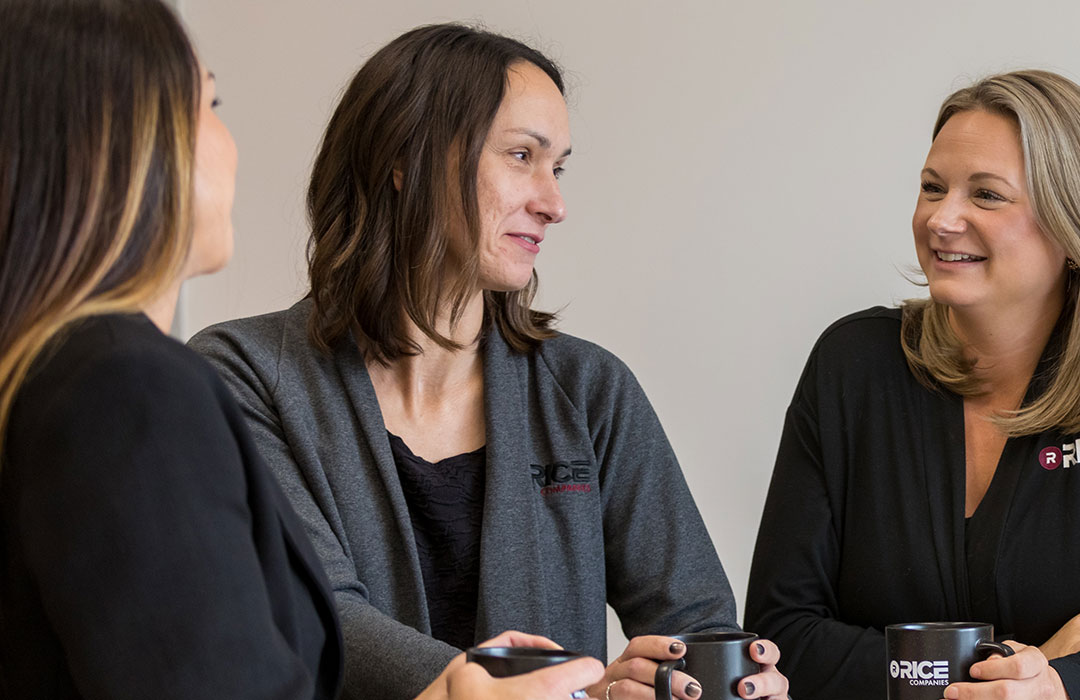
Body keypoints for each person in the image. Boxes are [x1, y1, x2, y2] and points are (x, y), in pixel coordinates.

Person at [0, 1, 602, 698]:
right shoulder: (129, 388)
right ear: (120, 140)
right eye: (210, 103)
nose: (554, 203)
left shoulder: (59, 373)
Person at [188, 23, 788, 700]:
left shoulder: (590, 391)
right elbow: (318, 611)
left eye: (556, 167)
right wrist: (480, 688)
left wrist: (684, 680)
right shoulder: (241, 375)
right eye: (522, 156)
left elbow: (697, 624)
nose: (553, 203)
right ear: (405, 157)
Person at [745, 69, 1080, 700]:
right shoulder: (852, 363)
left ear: (1076, 226)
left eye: (987, 195)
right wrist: (1030, 666)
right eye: (932, 187)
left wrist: (1024, 683)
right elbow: (780, 642)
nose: (942, 219)